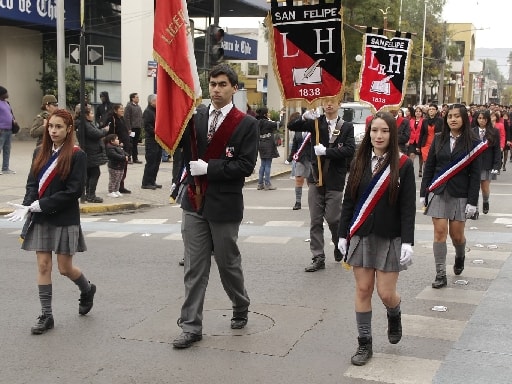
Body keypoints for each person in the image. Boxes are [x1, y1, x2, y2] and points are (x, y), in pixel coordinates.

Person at [172, 64, 258, 349]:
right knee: (194, 268)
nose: (217, 89)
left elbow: (245, 166)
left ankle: (240, 302)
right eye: (212, 84)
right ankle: (191, 326)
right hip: (195, 202)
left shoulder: (246, 123)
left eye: (223, 84)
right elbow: (176, 144)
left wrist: (210, 167)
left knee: (227, 264)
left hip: (224, 205)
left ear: (234, 88)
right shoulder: (195, 117)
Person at [5, 109, 96, 335]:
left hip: (64, 218)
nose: (53, 131)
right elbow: (32, 184)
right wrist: (27, 206)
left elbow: (74, 191)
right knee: (44, 265)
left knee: (65, 268)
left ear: (68, 130)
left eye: (58, 127)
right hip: (42, 217)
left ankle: (87, 289)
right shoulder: (39, 152)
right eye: (51, 127)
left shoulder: (77, 155)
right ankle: (46, 315)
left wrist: (42, 204)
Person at [337, 111, 416, 366]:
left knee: (385, 292)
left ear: (392, 134)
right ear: (368, 133)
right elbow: (348, 201)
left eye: (384, 131)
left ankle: (395, 312)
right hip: (361, 234)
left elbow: (408, 207)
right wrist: (342, 234)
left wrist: (407, 241)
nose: (378, 135)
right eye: (374, 131)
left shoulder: (403, 164)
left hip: (390, 236)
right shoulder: (358, 162)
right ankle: (364, 343)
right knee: (363, 289)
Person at [420, 104, 484, 289]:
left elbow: (475, 174)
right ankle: (440, 273)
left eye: (457, 116)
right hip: (439, 192)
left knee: (457, 236)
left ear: (464, 118)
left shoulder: (472, 143)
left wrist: (473, 202)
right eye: (449, 116)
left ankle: (460, 255)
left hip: (460, 194)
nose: (453, 119)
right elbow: (429, 167)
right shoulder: (439, 139)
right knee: (440, 233)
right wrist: (424, 192)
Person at [288, 98, 355, 271]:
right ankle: (318, 256)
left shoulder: (346, 126)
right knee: (315, 219)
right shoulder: (316, 123)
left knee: (333, 218)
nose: (329, 104)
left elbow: (349, 150)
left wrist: (328, 152)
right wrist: (304, 117)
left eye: (333, 101)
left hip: (335, 180)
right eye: (326, 102)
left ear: (339, 104)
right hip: (316, 178)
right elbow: (292, 127)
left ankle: (337, 240)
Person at [76, 107, 108, 203]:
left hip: (90, 152)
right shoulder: (85, 124)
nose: (93, 115)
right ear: (86, 115)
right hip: (90, 152)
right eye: (91, 113)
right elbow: (96, 133)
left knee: (90, 174)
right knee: (95, 173)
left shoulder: (86, 123)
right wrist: (104, 131)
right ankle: (91, 195)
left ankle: (88, 194)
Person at [474, 110, 501, 214]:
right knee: (474, 188)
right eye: (479, 118)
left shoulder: (494, 132)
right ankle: (475, 209)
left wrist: (496, 165)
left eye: (484, 118)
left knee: (485, 188)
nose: (481, 120)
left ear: (487, 120)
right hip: (474, 164)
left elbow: (497, 150)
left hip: (487, 164)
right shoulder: (472, 131)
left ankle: (486, 201)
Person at [106, 104, 131, 194]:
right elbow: (110, 134)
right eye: (120, 109)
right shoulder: (112, 119)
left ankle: (121, 186)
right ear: (115, 110)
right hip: (117, 147)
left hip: (125, 147)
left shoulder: (122, 118)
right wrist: (117, 142)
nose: (122, 110)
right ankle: (114, 188)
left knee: (123, 168)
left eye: (123, 109)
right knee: (117, 169)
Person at [288, 112, 311, 210]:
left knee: (311, 182)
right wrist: (291, 157)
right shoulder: (298, 130)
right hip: (300, 158)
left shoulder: (313, 129)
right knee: (298, 179)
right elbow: (295, 144)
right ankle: (298, 202)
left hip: (311, 158)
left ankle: (313, 202)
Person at [141, 94, 162, 190]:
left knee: (157, 161)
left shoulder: (156, 111)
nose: (158, 102)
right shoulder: (147, 112)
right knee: (151, 162)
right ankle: (146, 182)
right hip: (151, 140)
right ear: (151, 101)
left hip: (158, 140)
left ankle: (152, 180)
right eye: (156, 101)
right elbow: (148, 127)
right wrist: (156, 132)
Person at [256, 106, 280, 190]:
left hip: (260, 143)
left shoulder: (256, 122)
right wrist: (282, 116)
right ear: (265, 114)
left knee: (262, 164)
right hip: (268, 144)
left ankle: (260, 183)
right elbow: (279, 124)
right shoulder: (267, 122)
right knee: (268, 165)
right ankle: (267, 183)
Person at [418, 103, 443, 178]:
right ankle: (427, 178)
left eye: (433, 109)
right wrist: (418, 146)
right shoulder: (425, 121)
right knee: (426, 163)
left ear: (436, 111)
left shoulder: (440, 120)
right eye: (430, 109)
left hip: (436, 144)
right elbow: (422, 134)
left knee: (435, 162)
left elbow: (443, 132)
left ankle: (435, 178)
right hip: (426, 145)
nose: (431, 111)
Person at [104, 133, 128, 197]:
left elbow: (123, 152)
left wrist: (126, 155)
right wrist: (123, 157)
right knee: (113, 179)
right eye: (116, 139)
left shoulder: (117, 147)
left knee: (119, 179)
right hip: (114, 166)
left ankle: (116, 190)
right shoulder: (110, 148)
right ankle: (111, 191)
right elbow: (115, 155)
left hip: (120, 166)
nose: (118, 140)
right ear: (112, 141)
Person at [0, 86, 16, 175]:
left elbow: (10, 113)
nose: (7, 94)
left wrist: (14, 120)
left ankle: (5, 168)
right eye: (6, 93)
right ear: (1, 94)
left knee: (7, 150)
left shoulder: (7, 103)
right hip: (1, 130)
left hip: (9, 130)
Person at [124, 92, 143, 164]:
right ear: (132, 98)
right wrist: (129, 128)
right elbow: (127, 118)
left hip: (138, 128)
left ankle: (135, 158)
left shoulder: (138, 107)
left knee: (135, 144)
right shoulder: (129, 106)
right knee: (130, 143)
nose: (138, 99)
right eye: (136, 97)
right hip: (132, 129)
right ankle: (128, 157)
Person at [408, 106, 424, 177]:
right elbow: (408, 130)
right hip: (412, 140)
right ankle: (411, 170)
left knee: (421, 157)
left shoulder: (424, 121)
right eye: (416, 111)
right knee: (411, 155)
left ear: (421, 113)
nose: (418, 113)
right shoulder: (411, 120)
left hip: (420, 141)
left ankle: (420, 169)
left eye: (419, 111)